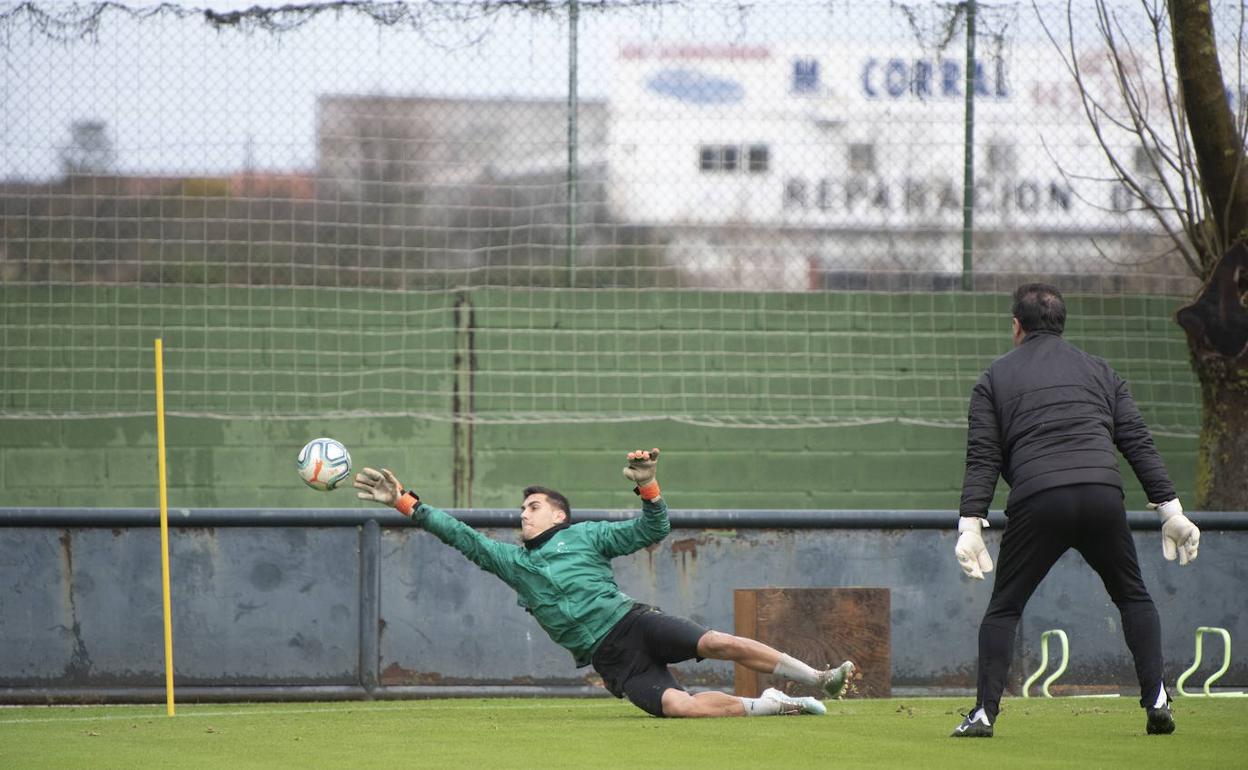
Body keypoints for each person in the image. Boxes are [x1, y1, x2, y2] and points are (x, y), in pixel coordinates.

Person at [354, 447, 855, 718]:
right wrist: (406, 503)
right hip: (611, 658)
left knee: (716, 641)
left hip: (635, 623)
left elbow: (654, 529)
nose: (522, 515)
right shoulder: (511, 562)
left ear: (559, 515)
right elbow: (459, 535)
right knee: (682, 708)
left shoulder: (588, 536)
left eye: (532, 508)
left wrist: (647, 485)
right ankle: (775, 705)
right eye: (521, 509)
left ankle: (818, 679)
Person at [951, 283, 1201, 738]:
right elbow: (1137, 442)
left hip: (1038, 498)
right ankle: (1158, 699)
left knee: (1004, 609)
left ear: (1016, 327)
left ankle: (984, 715)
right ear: (1062, 325)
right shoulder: (1101, 371)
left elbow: (983, 457)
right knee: (1133, 596)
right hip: (1102, 495)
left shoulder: (995, 377)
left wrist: (971, 524)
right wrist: (1171, 509)